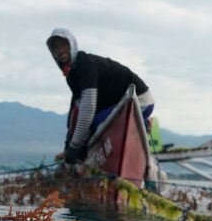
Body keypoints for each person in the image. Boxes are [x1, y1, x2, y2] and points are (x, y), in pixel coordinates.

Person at [46, 28, 155, 164]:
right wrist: (75, 147)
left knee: (100, 126)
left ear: (72, 44)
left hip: (140, 101)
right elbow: (79, 112)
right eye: (56, 48)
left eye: (64, 45)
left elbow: (88, 107)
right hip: (118, 105)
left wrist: (74, 146)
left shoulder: (85, 64)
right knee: (92, 128)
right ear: (53, 53)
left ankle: (142, 124)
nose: (61, 50)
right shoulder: (71, 76)